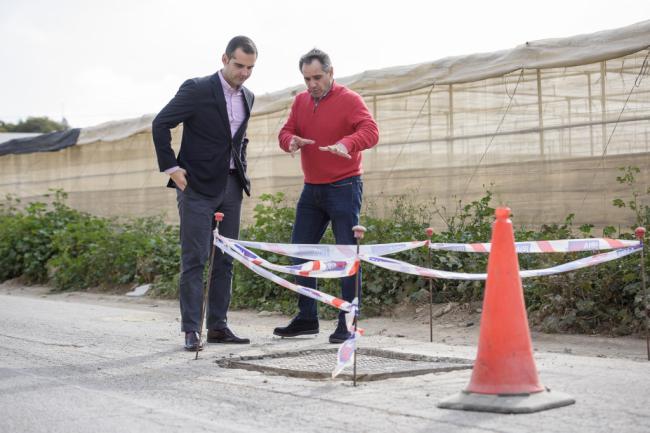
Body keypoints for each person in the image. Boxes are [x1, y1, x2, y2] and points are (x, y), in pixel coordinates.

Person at [152, 36, 257, 351]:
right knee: (195, 258)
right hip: (196, 186)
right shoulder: (197, 89)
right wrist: (172, 168)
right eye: (239, 65)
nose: (244, 73)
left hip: (231, 186)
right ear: (224, 59)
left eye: (250, 68)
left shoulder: (249, 96)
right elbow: (161, 124)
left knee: (225, 258)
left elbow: (237, 140)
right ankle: (191, 329)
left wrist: (241, 170)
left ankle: (218, 327)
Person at [274, 48, 379, 343]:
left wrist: (347, 143)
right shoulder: (300, 101)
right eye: (307, 79)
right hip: (312, 188)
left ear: (331, 73)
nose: (312, 84)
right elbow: (285, 132)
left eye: (317, 77)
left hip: (344, 186)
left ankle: (348, 320)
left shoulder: (350, 100)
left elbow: (371, 131)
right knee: (300, 251)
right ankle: (307, 317)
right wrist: (290, 141)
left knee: (347, 253)